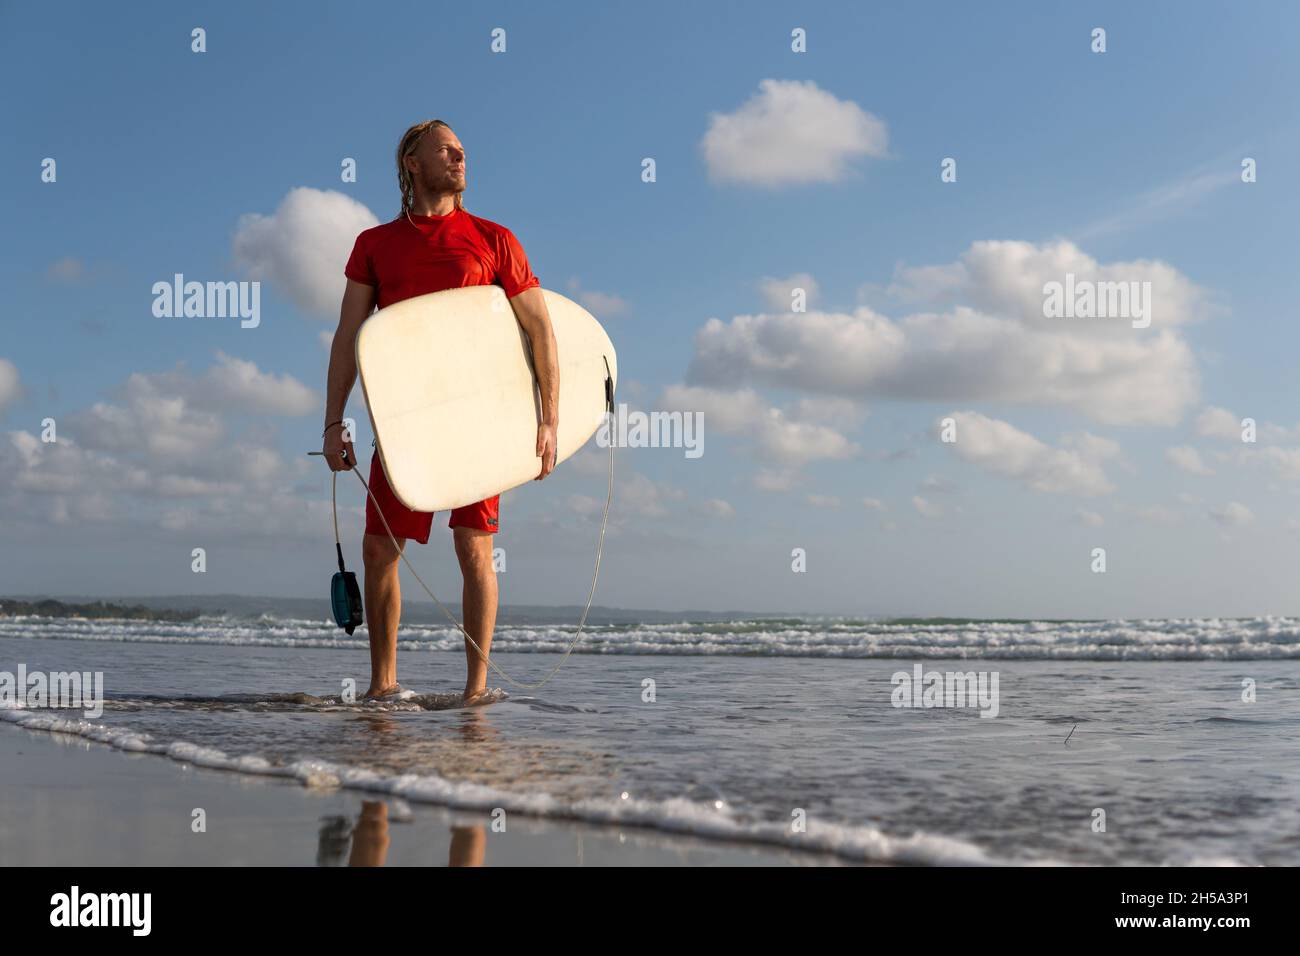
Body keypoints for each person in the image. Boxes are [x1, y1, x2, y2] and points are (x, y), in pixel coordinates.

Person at [322, 119, 559, 705]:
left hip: (479, 419)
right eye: (445, 149)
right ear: (411, 160)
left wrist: (548, 418)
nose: (459, 157)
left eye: (462, 152)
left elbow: (541, 330)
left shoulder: (493, 238)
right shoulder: (374, 245)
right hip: (406, 421)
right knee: (379, 549)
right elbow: (350, 335)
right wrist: (334, 420)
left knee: (474, 546)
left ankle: (476, 690)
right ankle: (383, 687)